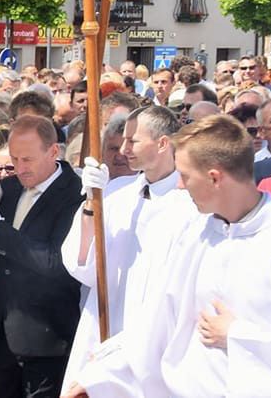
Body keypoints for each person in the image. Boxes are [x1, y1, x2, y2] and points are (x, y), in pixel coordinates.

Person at [63, 115, 271, 398]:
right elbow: (157, 324)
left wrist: (237, 335)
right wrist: (100, 377)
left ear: (214, 177)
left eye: (185, 176)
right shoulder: (196, 236)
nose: (180, 187)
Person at [60, 106, 196, 390]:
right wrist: (90, 203)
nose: (123, 149)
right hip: (105, 324)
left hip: (156, 335)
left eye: (132, 141)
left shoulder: (191, 203)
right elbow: (81, 264)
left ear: (162, 143)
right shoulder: (116, 192)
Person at [0, 114, 84, 398]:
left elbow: (57, 264)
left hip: (47, 338)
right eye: (14, 158)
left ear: (54, 151)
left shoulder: (76, 193)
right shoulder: (11, 188)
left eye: (28, 159)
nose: (20, 168)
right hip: (0, 334)